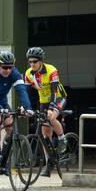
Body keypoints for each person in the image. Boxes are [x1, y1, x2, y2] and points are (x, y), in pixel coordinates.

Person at [24, 47, 68, 177]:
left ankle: (62, 139)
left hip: (58, 97)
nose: (32, 64)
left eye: (35, 61)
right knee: (44, 133)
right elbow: (26, 94)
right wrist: (25, 107)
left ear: (41, 61)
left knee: (50, 116)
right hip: (43, 101)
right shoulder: (28, 74)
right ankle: (49, 162)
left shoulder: (51, 70)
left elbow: (54, 91)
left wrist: (52, 106)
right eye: (30, 61)